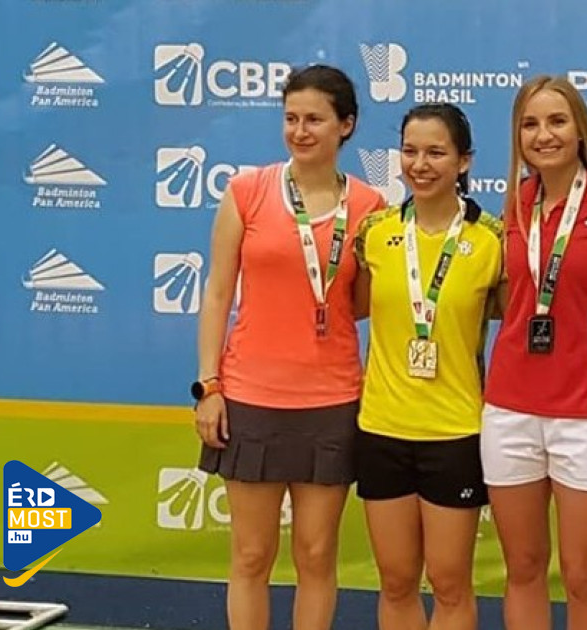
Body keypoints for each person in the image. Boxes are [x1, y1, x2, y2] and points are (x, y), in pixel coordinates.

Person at [191, 64, 386, 630]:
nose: (300, 131)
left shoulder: (371, 206)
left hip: (331, 400)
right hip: (251, 397)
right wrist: (209, 386)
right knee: (251, 556)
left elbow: (363, 302)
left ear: (346, 125)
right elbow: (217, 293)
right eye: (291, 118)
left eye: (315, 120)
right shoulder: (247, 191)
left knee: (317, 556)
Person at [482, 75, 587, 630]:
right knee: (523, 569)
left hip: (585, 413)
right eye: (530, 124)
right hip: (509, 409)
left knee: (582, 577)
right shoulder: (514, 203)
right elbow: (512, 298)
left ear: (580, 128)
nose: (544, 135)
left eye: (557, 121)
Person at [352, 103, 503, 630]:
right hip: (381, 429)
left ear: (464, 161)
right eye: (410, 151)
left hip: (455, 432)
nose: (420, 164)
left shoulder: (493, 240)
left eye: (436, 152)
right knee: (396, 581)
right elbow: (351, 307)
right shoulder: (374, 232)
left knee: (449, 583)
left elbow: (526, 320)